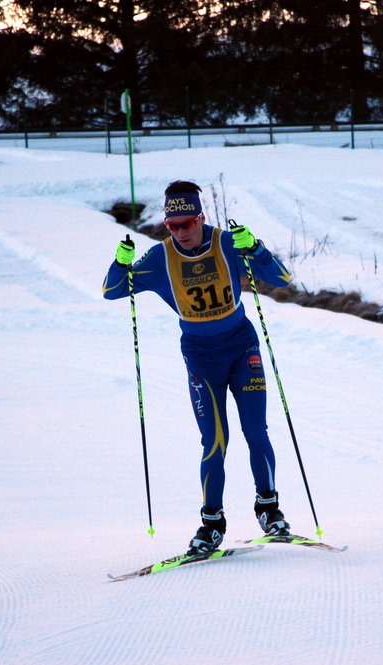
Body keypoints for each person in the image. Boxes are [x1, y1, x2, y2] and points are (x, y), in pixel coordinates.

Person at [103, 180, 296, 553]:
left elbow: (282, 279)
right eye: (172, 226)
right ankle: (211, 524)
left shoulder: (227, 243)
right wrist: (120, 263)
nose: (180, 233)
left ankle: (269, 509)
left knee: (256, 432)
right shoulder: (161, 259)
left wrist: (255, 249)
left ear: (201, 218)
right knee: (215, 443)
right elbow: (113, 291)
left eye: (187, 224)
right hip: (201, 358)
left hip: (242, 350)